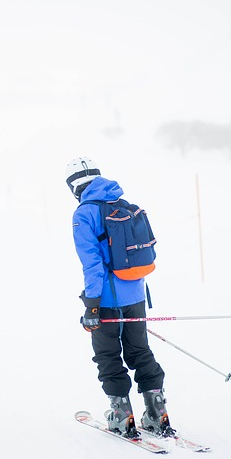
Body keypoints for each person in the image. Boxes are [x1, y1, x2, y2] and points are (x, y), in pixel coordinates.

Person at [65, 156, 174, 438]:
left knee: (108, 355)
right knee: (140, 351)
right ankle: (156, 413)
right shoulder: (123, 205)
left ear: (74, 186)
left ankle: (121, 415)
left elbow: (92, 264)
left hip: (106, 300)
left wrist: (92, 305)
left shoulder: (84, 214)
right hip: (136, 293)